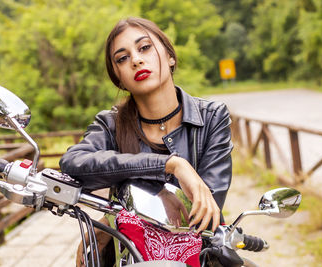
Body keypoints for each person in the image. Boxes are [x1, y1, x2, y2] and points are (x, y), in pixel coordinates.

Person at [60, 17, 233, 267]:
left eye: (145, 48)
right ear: (118, 78)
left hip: (199, 256)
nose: (136, 60)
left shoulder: (212, 116)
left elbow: (207, 203)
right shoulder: (110, 124)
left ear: (170, 56)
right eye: (122, 58)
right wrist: (171, 165)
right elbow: (73, 163)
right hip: (126, 257)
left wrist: (110, 219)